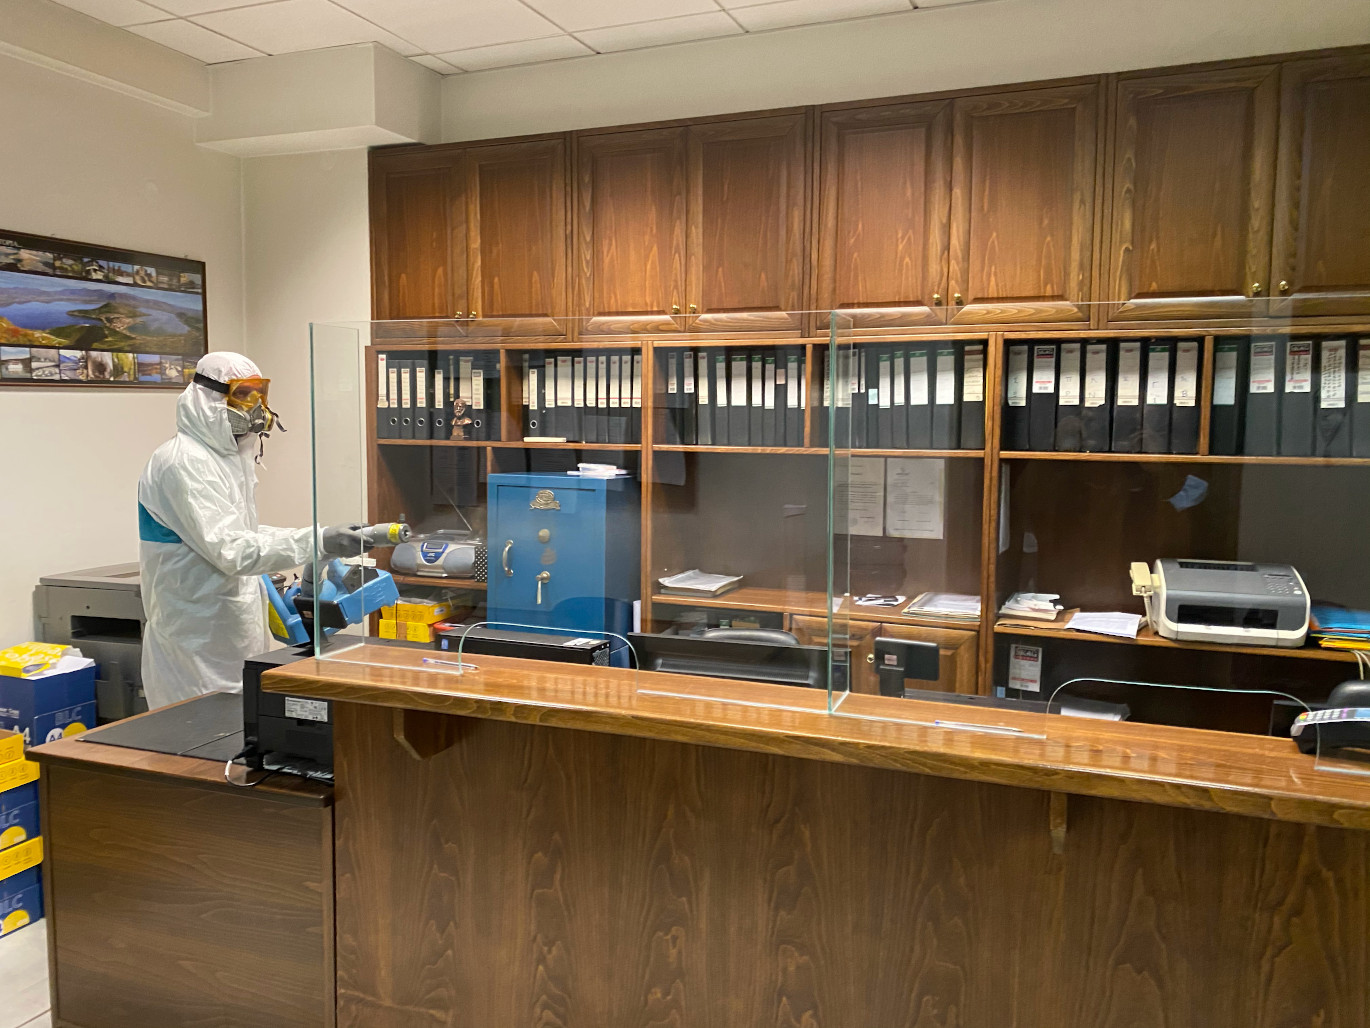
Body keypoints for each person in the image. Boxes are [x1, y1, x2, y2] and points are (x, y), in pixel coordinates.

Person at [137, 352, 364, 709]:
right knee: (198, 735)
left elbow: (244, 532)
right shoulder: (183, 462)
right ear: (209, 398)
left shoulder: (229, 458)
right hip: (193, 645)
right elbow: (233, 551)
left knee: (242, 729)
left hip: (229, 633)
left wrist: (320, 538)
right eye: (242, 394)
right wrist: (317, 540)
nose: (256, 406)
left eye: (260, 394)